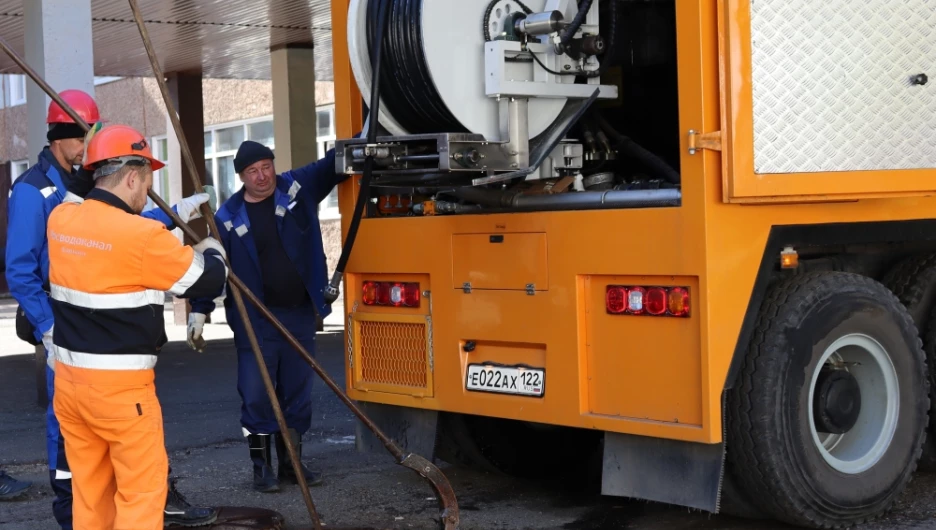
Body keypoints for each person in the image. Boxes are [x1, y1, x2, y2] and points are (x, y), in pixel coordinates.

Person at [5, 90, 217, 528]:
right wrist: (214, 252)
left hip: (72, 381)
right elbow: (203, 277)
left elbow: (100, 214)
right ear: (134, 178)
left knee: (91, 491)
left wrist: (171, 211)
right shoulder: (42, 196)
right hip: (118, 389)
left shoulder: (63, 217)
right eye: (147, 182)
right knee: (140, 494)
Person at [187, 139, 348, 492]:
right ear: (241, 177)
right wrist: (199, 311)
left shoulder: (296, 189)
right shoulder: (226, 219)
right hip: (254, 322)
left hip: (299, 316)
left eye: (266, 167)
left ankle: (292, 463)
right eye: (252, 172)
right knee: (257, 393)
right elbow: (212, 269)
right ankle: (262, 468)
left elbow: (333, 164)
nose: (262, 177)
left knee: (297, 391)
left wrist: (367, 133)